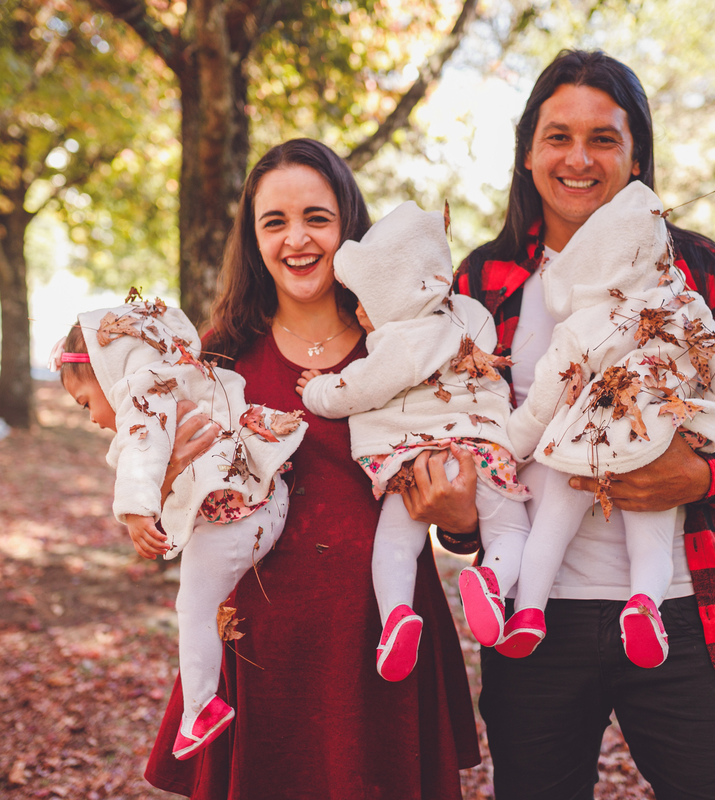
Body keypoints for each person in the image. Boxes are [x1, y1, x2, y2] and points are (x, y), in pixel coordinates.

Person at [420, 49, 715, 799]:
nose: (579, 158)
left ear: (636, 156)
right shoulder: (482, 283)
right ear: (529, 154)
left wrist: (700, 477)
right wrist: (458, 524)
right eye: (558, 136)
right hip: (537, 621)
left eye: (603, 138)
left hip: (686, 613)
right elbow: (460, 444)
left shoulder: (699, 271)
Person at [141, 138, 479, 800]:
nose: (297, 238)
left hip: (383, 632)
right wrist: (165, 490)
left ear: (348, 228)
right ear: (255, 239)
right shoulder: (220, 360)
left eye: (316, 218)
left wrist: (462, 511)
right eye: (275, 222)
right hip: (261, 642)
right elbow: (173, 507)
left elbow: (463, 478)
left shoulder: (412, 347)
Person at [501, 180, 715, 670]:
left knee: (550, 526)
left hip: (584, 444)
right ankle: (644, 607)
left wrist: (513, 447)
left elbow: (548, 392)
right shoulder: (689, 312)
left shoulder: (588, 321)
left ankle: (528, 610)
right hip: (651, 440)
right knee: (651, 543)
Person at [52, 299, 306, 760]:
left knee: (193, 607)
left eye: (86, 401)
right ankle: (201, 705)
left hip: (235, 524)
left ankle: (201, 708)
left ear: (110, 375)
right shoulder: (186, 377)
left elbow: (141, 448)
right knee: (201, 603)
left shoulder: (145, 399)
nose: (91, 417)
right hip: (269, 501)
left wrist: (135, 510)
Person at [297, 200, 532, 678]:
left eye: (367, 297)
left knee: (395, 547)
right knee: (511, 532)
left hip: (416, 460)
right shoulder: (469, 313)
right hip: (484, 451)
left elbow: (357, 389)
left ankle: (398, 617)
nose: (360, 309)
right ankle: (490, 581)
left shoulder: (401, 341)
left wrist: (317, 389)